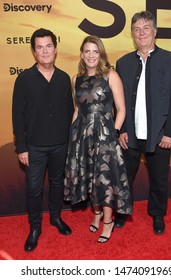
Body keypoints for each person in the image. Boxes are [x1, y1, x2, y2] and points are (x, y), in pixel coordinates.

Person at [115, 11, 171, 234]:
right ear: (132, 34)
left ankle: (157, 215)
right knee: (124, 177)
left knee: (159, 179)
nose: (142, 32)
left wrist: (170, 132)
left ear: (154, 31)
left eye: (146, 27)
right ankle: (121, 213)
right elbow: (118, 101)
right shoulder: (123, 63)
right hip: (131, 135)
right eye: (137, 29)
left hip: (160, 135)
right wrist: (122, 130)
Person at [64, 35, 132, 243]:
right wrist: (72, 136)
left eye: (95, 51)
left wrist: (114, 132)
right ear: (82, 54)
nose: (91, 55)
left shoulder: (111, 75)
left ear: (101, 54)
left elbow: (121, 109)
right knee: (89, 177)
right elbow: (77, 109)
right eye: (87, 51)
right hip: (82, 135)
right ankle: (97, 213)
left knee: (106, 179)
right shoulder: (76, 79)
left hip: (105, 136)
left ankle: (109, 221)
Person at [12, 28, 74, 252]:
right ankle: (35, 228)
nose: (45, 51)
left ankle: (56, 218)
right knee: (34, 189)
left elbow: (69, 111)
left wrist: (70, 143)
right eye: (40, 47)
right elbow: (17, 115)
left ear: (55, 49)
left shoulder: (64, 78)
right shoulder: (24, 79)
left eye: (49, 46)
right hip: (34, 147)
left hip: (60, 145)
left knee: (57, 184)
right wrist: (22, 147)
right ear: (34, 51)